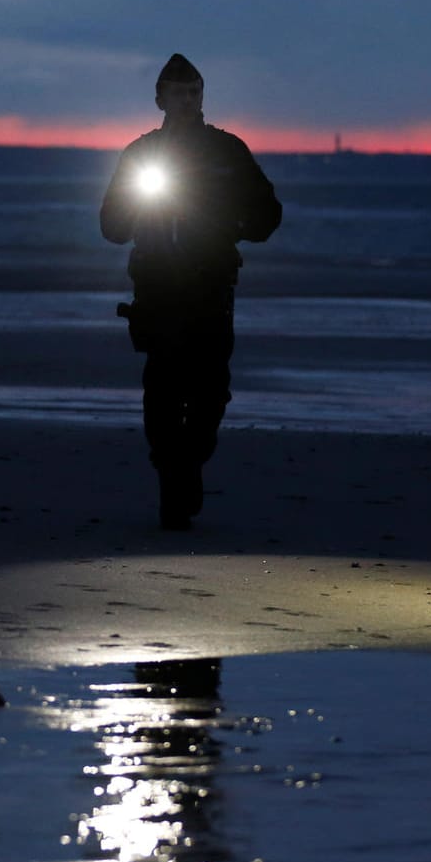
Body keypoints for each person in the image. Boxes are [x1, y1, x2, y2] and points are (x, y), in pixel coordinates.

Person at [99, 53, 280, 530]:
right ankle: (171, 478)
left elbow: (267, 216)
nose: (187, 99)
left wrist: (232, 222)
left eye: (194, 91)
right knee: (162, 387)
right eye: (177, 92)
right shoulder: (141, 154)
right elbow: (111, 227)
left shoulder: (227, 151)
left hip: (211, 284)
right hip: (157, 286)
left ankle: (190, 463)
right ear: (159, 98)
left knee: (211, 389)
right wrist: (137, 208)